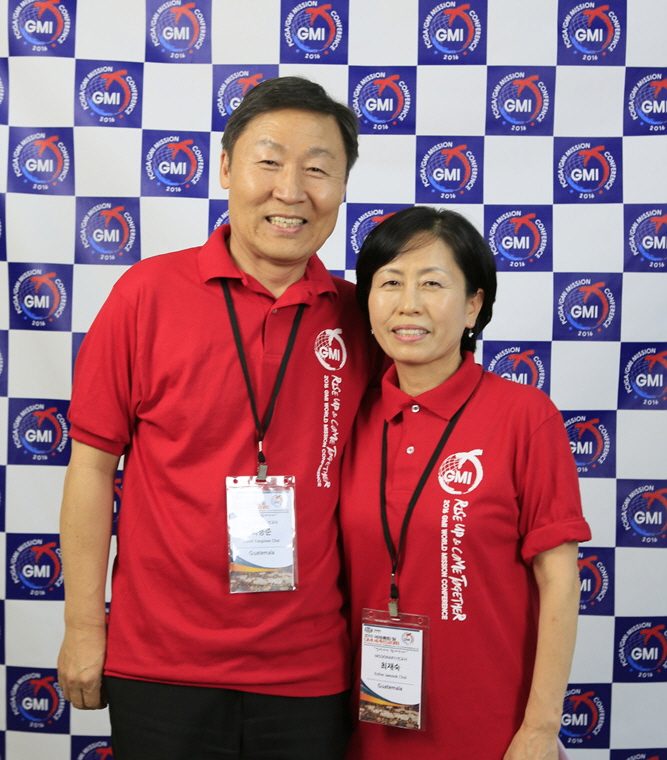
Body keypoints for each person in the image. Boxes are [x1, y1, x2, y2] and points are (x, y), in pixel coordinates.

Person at [57, 76, 380, 760]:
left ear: (343, 186)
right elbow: (91, 467)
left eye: (317, 169)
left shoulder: (362, 317)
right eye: (269, 162)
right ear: (227, 167)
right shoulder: (146, 294)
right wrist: (84, 626)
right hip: (160, 666)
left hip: (309, 671)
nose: (291, 190)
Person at [340, 206, 591, 759]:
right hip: (364, 731)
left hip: (493, 731)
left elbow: (559, 579)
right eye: (390, 283)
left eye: (432, 284)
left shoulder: (524, 416)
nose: (408, 304)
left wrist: (540, 729)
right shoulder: (348, 419)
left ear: (474, 304)